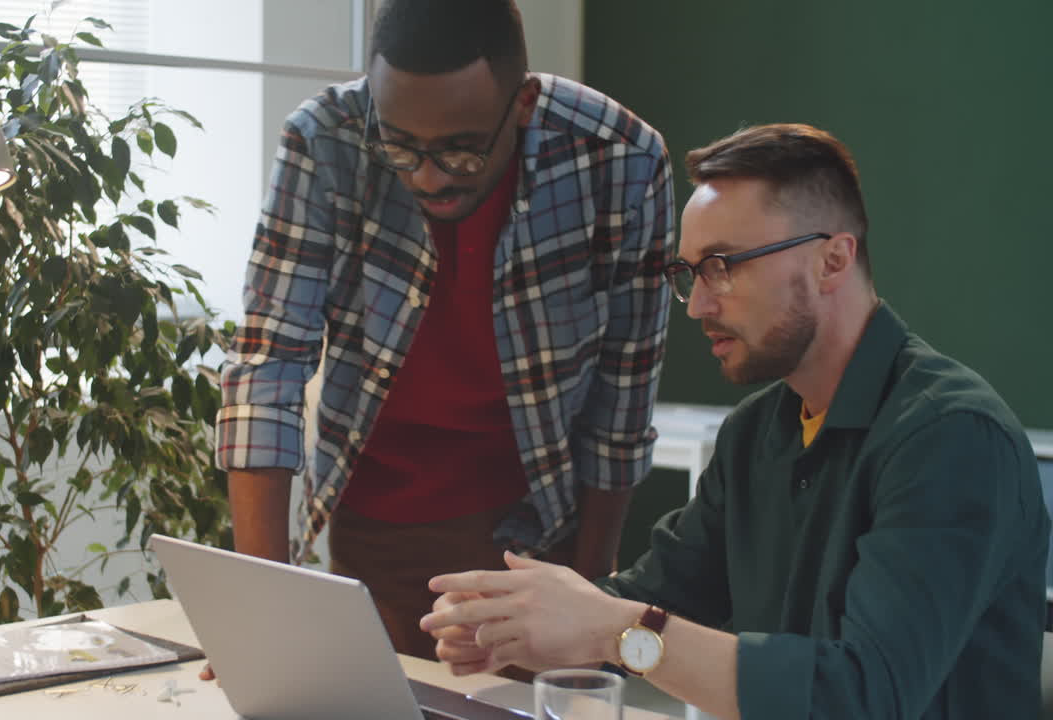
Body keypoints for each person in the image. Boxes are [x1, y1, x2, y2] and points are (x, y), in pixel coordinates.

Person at [421, 123, 1049, 717]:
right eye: (688, 274)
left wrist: (615, 630)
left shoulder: (951, 438)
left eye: (723, 265)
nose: (696, 304)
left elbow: (861, 697)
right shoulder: (756, 432)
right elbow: (660, 594)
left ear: (832, 260)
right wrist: (520, 623)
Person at [215, 0, 673, 661]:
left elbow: (623, 398)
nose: (425, 176)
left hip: (539, 528)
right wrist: (261, 606)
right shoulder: (325, 140)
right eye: (399, 144)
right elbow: (267, 367)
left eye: (459, 150)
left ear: (523, 105)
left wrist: (591, 590)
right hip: (374, 517)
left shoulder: (620, 158)